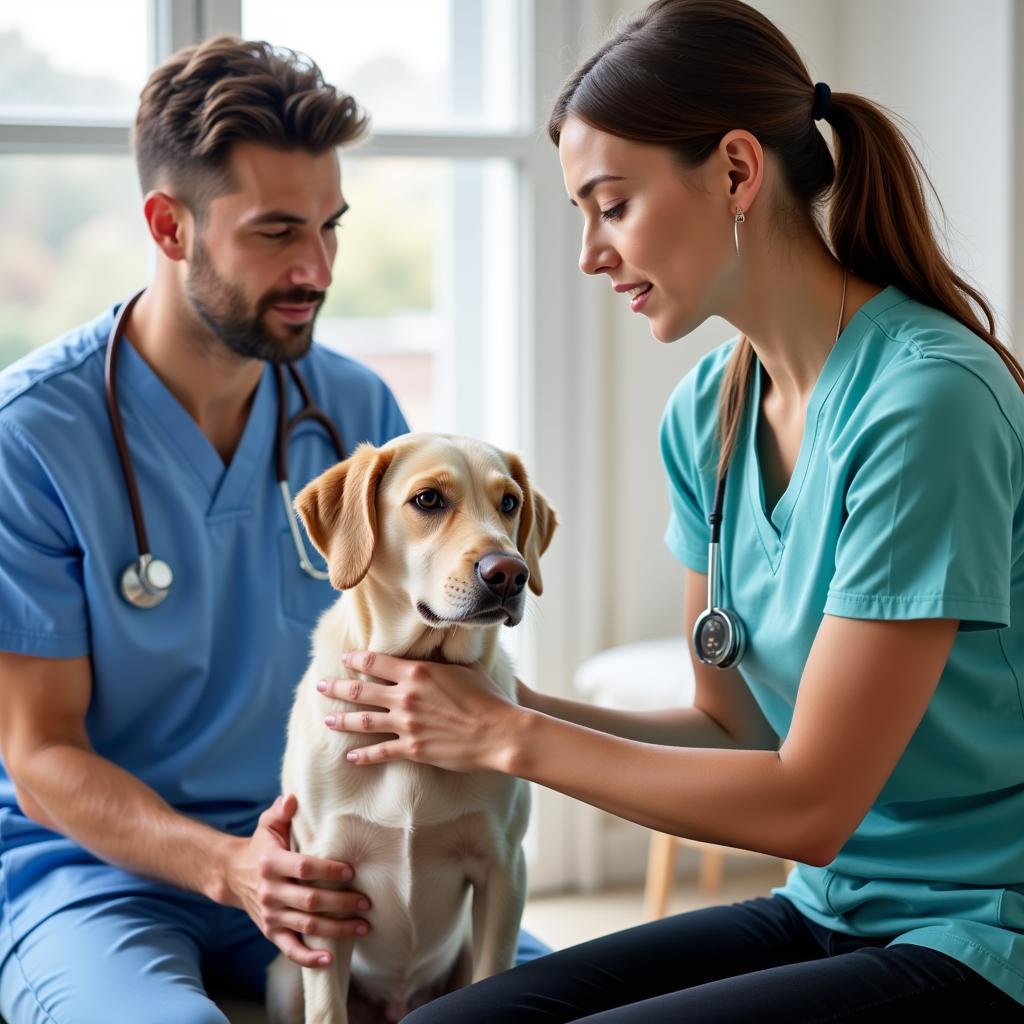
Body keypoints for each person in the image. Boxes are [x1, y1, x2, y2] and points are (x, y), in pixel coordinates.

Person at [316, 1, 1024, 1020]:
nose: (589, 254)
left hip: (979, 930)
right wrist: (470, 708)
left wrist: (507, 739)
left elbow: (810, 802)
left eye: (610, 205)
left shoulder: (926, 403)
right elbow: (729, 724)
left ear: (736, 172)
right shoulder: (708, 412)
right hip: (831, 906)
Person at [0, 36, 546, 1024]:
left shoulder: (353, 409)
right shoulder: (33, 437)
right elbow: (39, 752)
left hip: (350, 854)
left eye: (330, 228)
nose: (317, 268)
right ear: (169, 226)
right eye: (276, 232)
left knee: (559, 1003)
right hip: (104, 871)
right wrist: (229, 865)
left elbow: (436, 657)